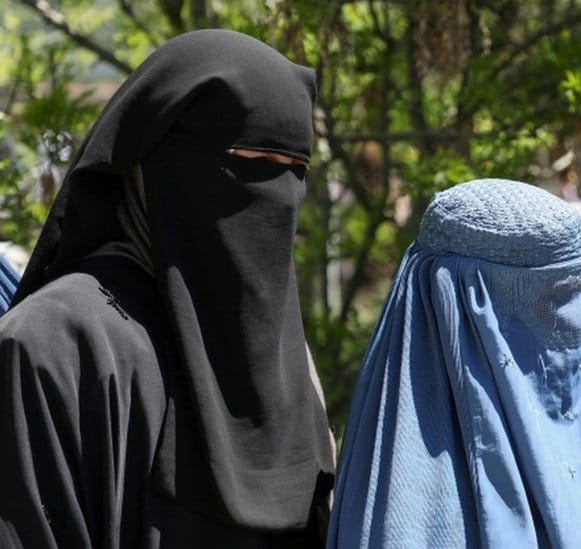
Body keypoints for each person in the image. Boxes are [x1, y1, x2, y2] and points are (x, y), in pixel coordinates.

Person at [0, 30, 335, 548]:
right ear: (159, 164)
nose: (277, 199)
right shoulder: (55, 347)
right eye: (251, 165)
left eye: (294, 172)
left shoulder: (280, 364)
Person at [327, 178, 581, 548]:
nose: (565, 328)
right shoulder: (411, 509)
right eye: (539, 303)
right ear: (453, 306)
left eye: (570, 299)